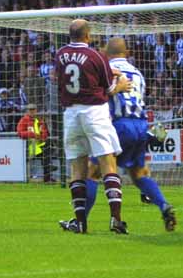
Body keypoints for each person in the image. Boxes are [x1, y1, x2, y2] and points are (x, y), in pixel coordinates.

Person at [60, 38, 176, 233]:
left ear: (106, 52)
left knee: (93, 173)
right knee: (139, 174)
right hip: (140, 124)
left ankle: (80, 221)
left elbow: (104, 94)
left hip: (119, 125)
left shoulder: (104, 68)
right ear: (127, 52)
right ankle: (164, 205)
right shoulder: (138, 73)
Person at [54, 19, 131, 234]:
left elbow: (63, 79)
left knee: (77, 169)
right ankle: (115, 219)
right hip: (94, 112)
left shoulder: (60, 55)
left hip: (70, 115)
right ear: (87, 36)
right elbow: (108, 89)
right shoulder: (96, 55)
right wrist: (121, 85)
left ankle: (79, 223)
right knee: (108, 163)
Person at [16, 104, 53, 182]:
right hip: (28, 147)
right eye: (30, 110)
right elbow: (20, 133)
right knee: (46, 151)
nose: (32, 111)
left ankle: (48, 175)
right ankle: (48, 172)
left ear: (36, 110)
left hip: (39, 146)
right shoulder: (24, 120)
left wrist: (42, 137)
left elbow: (45, 132)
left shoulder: (40, 120)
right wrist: (33, 135)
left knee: (47, 147)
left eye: (33, 110)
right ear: (27, 111)